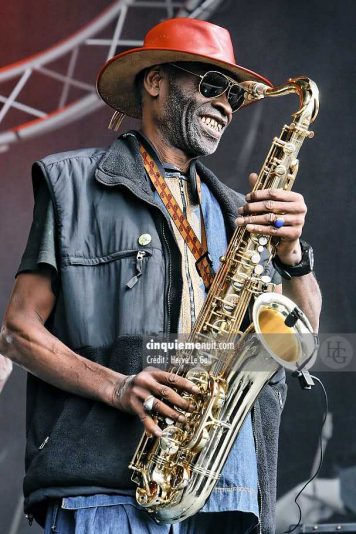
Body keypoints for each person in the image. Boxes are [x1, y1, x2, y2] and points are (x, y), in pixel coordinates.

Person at [0, 17, 321, 534]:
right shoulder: (73, 184)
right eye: (212, 86)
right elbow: (18, 332)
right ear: (155, 81)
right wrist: (120, 386)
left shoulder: (244, 213)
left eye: (234, 97)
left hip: (227, 491)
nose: (225, 105)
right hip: (105, 492)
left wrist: (292, 256)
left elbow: (300, 345)